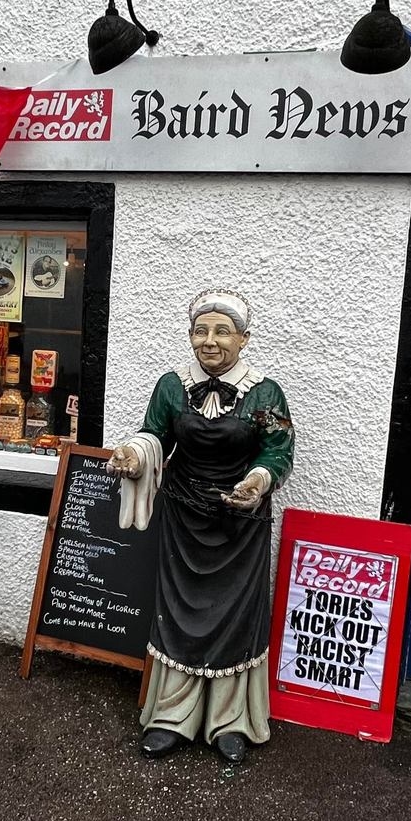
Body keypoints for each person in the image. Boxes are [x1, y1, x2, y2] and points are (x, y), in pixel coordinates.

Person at [109, 289, 294, 764]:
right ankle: (172, 717)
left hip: (240, 523)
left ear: (244, 339)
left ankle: (229, 722)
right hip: (183, 519)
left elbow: (277, 451)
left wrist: (256, 482)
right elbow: (155, 434)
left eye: (222, 331)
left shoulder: (265, 393)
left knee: (234, 619)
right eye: (200, 330)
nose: (209, 341)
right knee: (180, 617)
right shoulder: (171, 386)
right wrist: (135, 453)